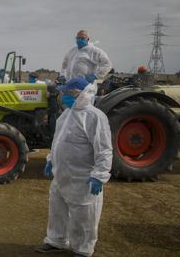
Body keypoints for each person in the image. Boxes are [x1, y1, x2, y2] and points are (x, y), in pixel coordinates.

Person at [35, 77, 113, 257]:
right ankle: (56, 240)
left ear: (79, 94)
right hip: (61, 175)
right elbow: (58, 141)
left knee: (84, 215)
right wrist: (50, 160)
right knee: (57, 210)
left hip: (82, 178)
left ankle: (83, 248)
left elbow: (104, 149)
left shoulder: (94, 116)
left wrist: (99, 175)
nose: (63, 97)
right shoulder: (66, 114)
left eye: (67, 93)